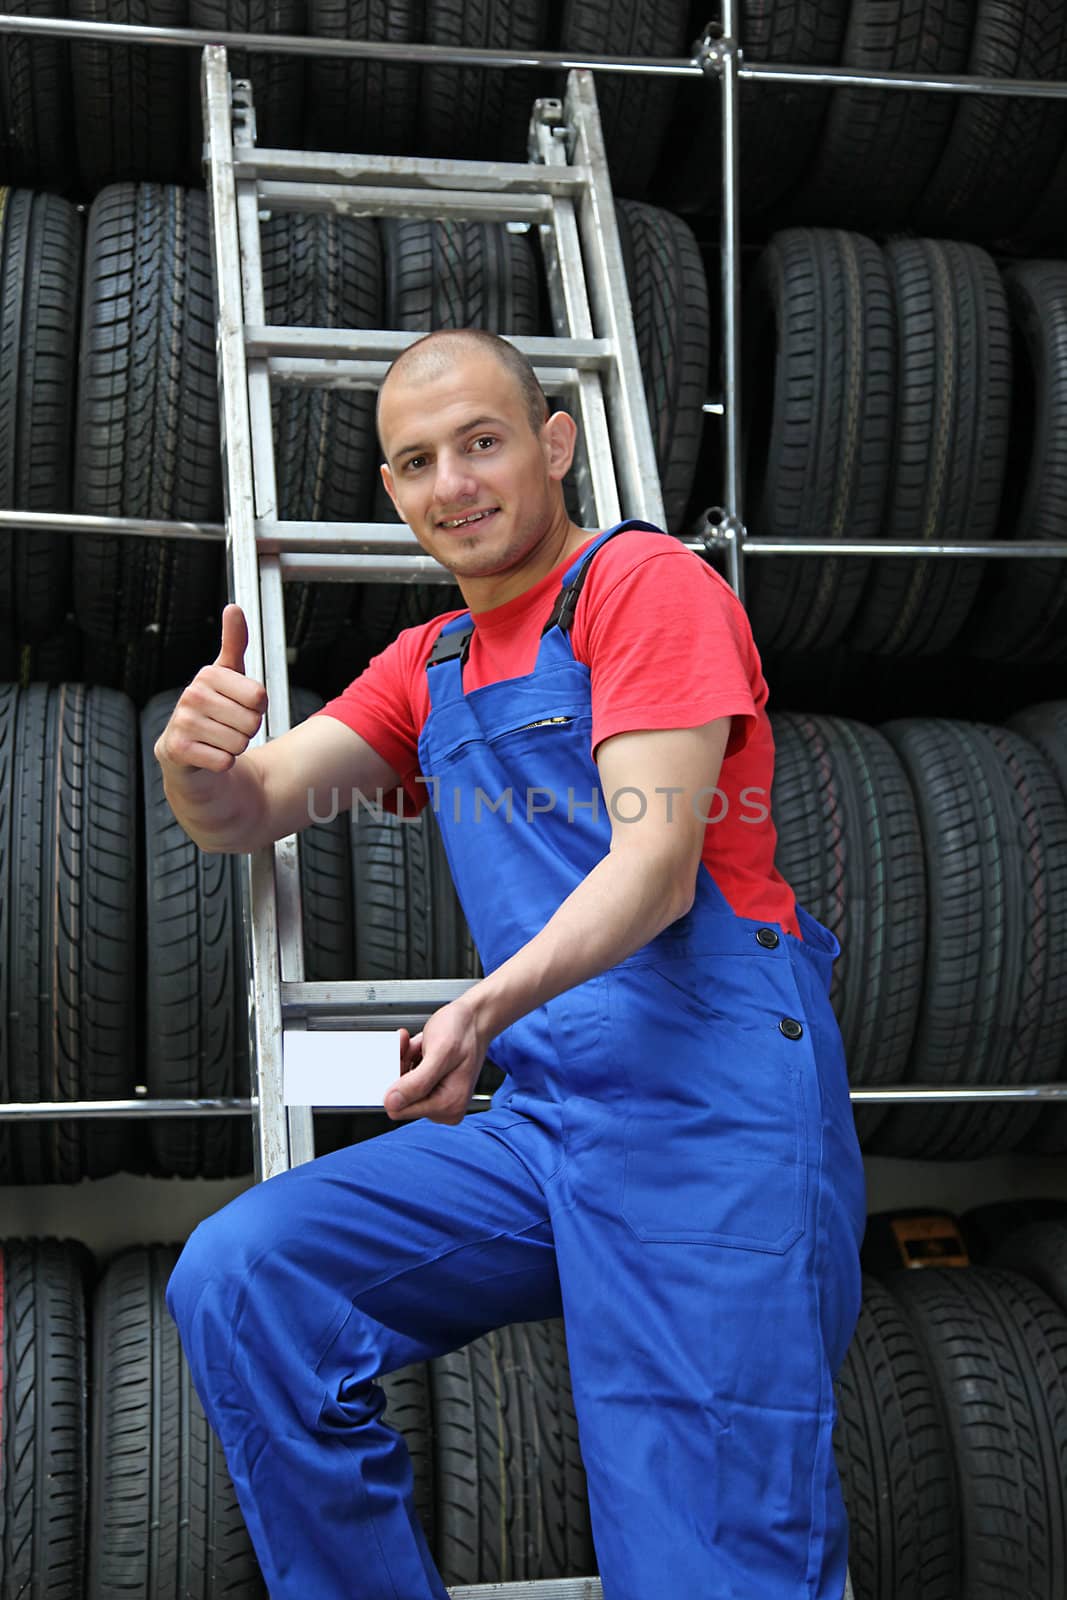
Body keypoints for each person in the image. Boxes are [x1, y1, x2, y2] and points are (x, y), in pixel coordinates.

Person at [161, 326, 867, 1600]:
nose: (453, 484)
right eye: (417, 461)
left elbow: (652, 873)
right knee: (247, 1275)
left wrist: (484, 1004)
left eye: (480, 443)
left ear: (554, 444)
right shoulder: (427, 666)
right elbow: (254, 806)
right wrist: (195, 768)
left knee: (705, 1563)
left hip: (711, 1123)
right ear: (392, 490)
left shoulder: (639, 588)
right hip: (553, 1121)